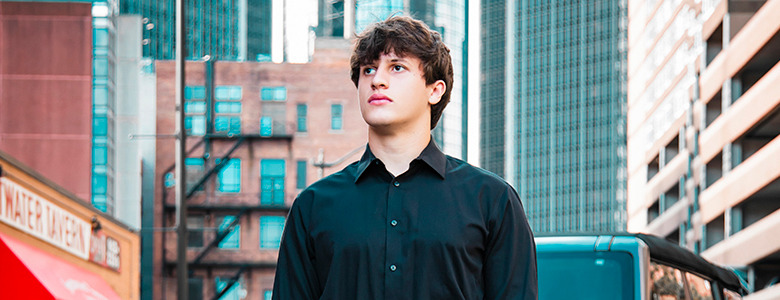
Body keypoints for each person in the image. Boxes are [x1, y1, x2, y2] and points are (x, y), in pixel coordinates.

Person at [273, 16, 537, 299]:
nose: (378, 81)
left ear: (434, 91)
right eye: (368, 70)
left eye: (397, 67)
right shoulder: (312, 206)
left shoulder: (493, 201)